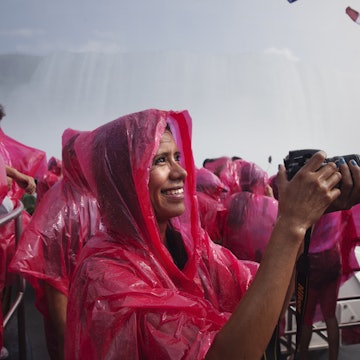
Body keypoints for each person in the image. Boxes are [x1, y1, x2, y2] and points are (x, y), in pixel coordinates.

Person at [65, 109, 360, 359]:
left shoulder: (191, 248)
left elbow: (266, 310)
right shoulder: (103, 276)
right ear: (123, 179)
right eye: (160, 161)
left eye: (177, 157)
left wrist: (304, 223)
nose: (180, 172)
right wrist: (290, 225)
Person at [9, 129, 101, 360]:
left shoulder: (86, 197)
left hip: (87, 300)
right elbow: (54, 278)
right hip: (73, 302)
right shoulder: (64, 205)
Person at [297, 212, 343, 360]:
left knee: (306, 317)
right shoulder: (338, 194)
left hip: (312, 261)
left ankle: (302, 356)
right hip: (333, 255)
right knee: (330, 315)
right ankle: (333, 357)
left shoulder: (315, 197)